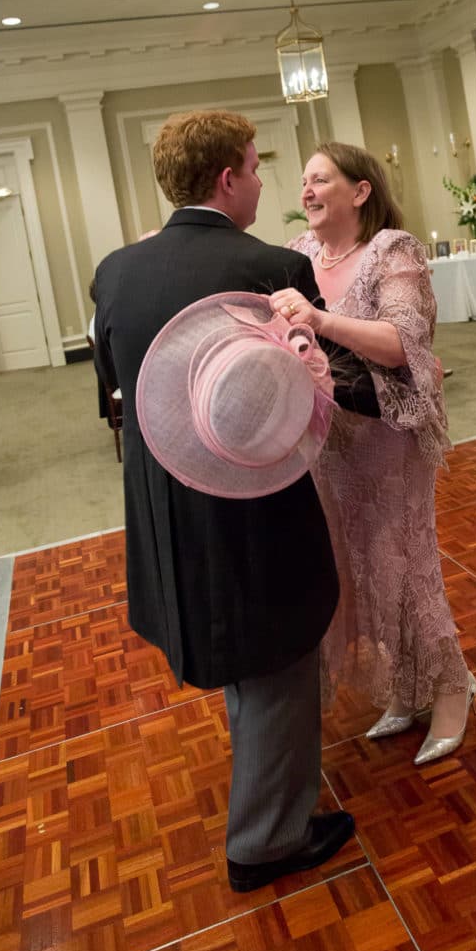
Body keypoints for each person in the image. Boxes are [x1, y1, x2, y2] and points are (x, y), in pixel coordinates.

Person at [92, 110, 382, 893]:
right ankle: (266, 840)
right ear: (227, 178)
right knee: (280, 656)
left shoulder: (115, 271)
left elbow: (113, 394)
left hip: (164, 499)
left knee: (243, 663)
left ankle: (270, 797)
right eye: (255, 168)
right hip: (252, 498)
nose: (262, 181)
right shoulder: (270, 265)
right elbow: (310, 404)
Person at [269, 142, 476, 766]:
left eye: (321, 179)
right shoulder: (301, 255)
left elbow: (402, 343)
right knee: (359, 567)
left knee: (406, 562)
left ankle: (451, 689)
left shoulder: (393, 250)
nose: (306, 190)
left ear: (359, 191)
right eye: (303, 181)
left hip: (388, 436)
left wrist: (321, 319)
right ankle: (406, 687)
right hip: (327, 440)